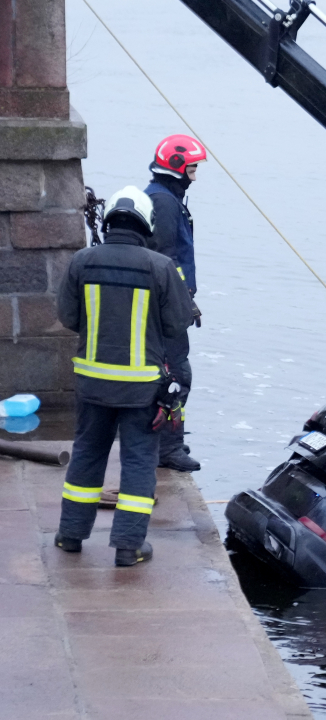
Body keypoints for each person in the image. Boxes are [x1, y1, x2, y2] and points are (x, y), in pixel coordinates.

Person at [55, 186, 194, 566]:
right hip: (141, 390)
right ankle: (129, 547)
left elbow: (68, 317)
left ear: (110, 219)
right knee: (137, 462)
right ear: (145, 225)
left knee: (86, 454)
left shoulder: (82, 261)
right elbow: (177, 324)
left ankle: (70, 536)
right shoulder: (161, 267)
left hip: (92, 384)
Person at [145, 134, 207, 472]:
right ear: (177, 168)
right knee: (176, 375)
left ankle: (170, 441)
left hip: (167, 305)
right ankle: (167, 449)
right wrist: (184, 304)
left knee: (171, 373)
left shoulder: (164, 197)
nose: (194, 177)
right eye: (192, 169)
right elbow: (167, 261)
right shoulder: (165, 203)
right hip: (166, 309)